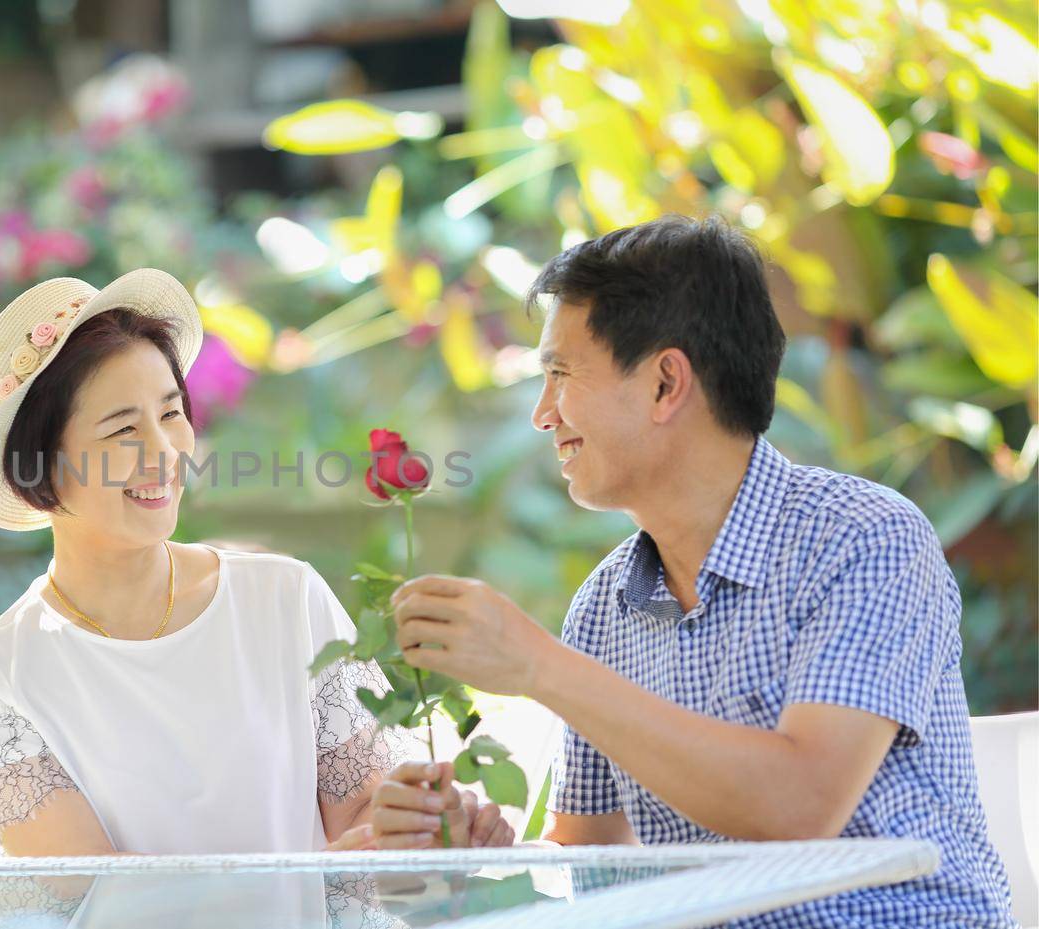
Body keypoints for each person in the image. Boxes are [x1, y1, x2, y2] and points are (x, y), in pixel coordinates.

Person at [372, 216, 1016, 926]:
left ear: (664, 383)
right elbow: (590, 866)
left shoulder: (864, 538)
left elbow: (802, 803)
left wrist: (539, 665)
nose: (541, 414)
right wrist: (466, 861)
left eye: (559, 373)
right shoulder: (604, 606)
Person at [0, 268, 513, 858]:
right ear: (41, 467)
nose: (165, 452)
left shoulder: (285, 599)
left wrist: (430, 832)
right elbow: (96, 897)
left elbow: (362, 813)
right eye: (122, 430)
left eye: (169, 414)